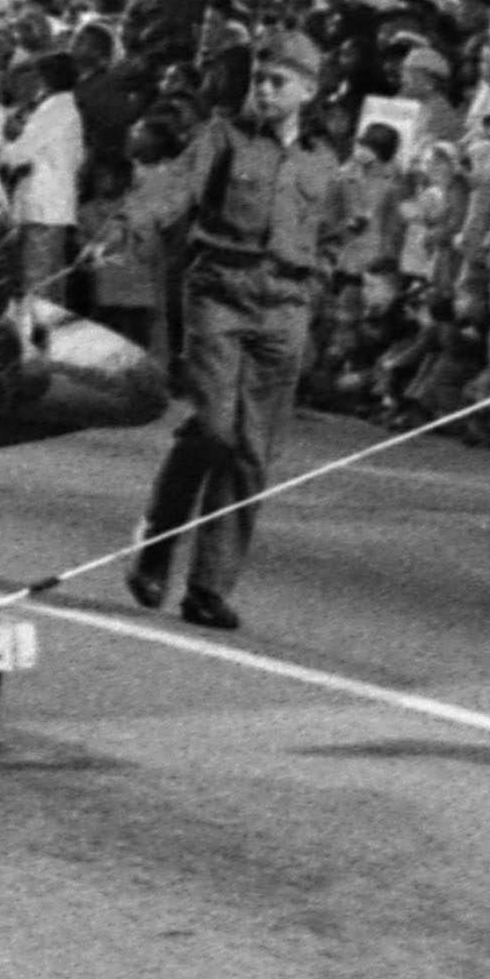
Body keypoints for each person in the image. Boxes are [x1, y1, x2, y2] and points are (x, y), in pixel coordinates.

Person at [125, 33, 326, 630]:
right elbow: (176, 188)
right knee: (212, 429)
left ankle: (209, 586)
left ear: (308, 91)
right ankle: (158, 540)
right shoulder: (224, 136)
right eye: (259, 79)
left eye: (278, 82)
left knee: (250, 450)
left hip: (285, 303)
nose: (263, 90)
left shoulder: (321, 157)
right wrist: (133, 221)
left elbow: (337, 229)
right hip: (221, 291)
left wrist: (318, 290)